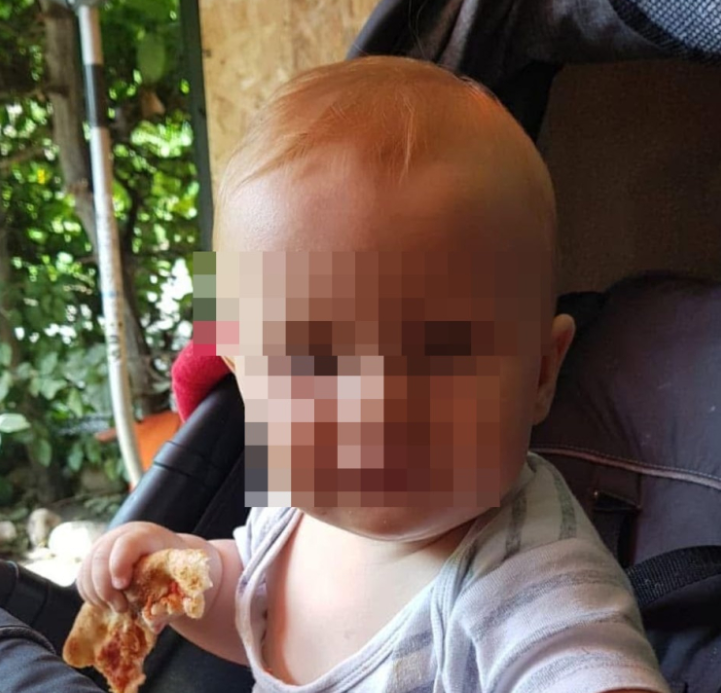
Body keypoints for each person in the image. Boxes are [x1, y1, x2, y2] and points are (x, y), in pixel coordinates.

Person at [77, 56, 671, 693]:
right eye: (313, 360)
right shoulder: (293, 512)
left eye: (442, 350)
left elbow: (579, 663)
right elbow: (256, 598)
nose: (376, 404)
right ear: (243, 375)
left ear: (541, 374)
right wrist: (183, 569)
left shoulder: (526, 580)